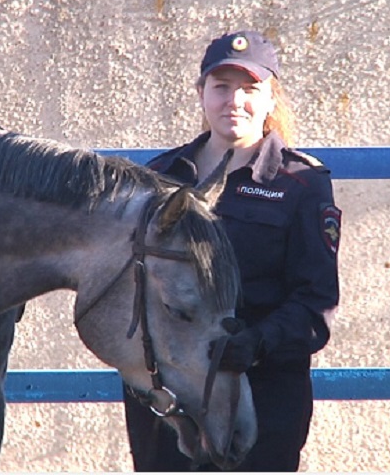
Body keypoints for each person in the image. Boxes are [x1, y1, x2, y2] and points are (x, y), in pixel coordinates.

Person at [123, 30, 341, 471]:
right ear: (201, 93)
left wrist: (256, 343)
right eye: (221, 87)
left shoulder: (301, 184)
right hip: (171, 398)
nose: (234, 101)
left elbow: (315, 302)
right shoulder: (159, 177)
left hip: (263, 391)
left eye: (249, 89)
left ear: (270, 99)